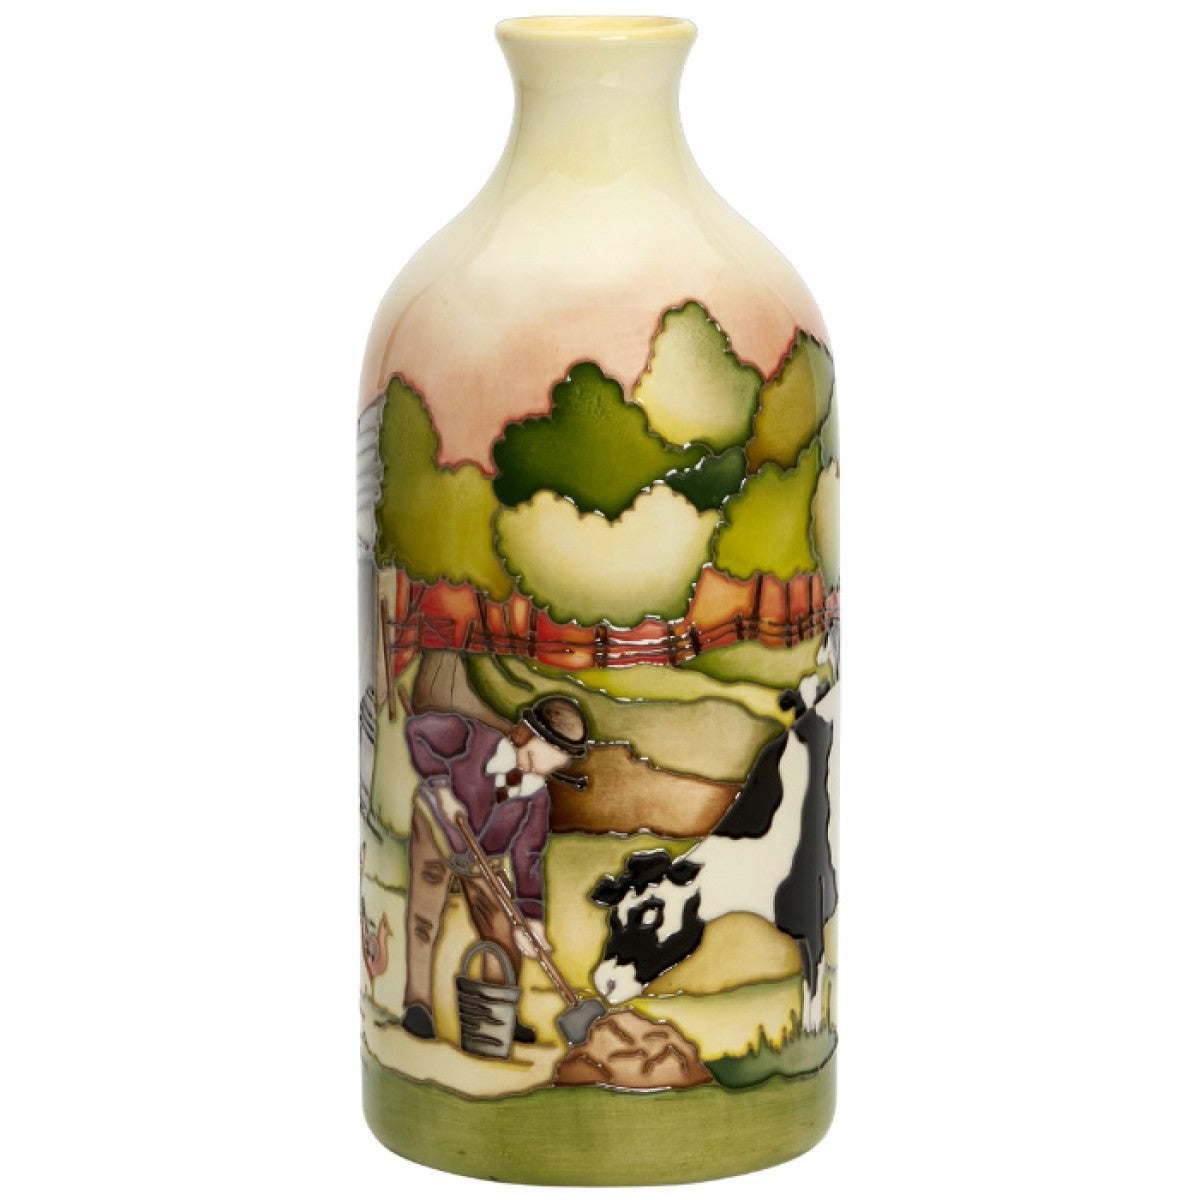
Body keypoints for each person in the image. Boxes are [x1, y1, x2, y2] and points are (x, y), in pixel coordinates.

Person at [398, 695, 589, 1043]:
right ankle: (417, 1004)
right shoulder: (470, 738)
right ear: (524, 734)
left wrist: (532, 920)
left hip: (481, 855)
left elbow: (528, 858)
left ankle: (497, 1014)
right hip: (437, 828)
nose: (540, 771)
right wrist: (442, 789)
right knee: (425, 919)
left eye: (552, 767)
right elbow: (417, 731)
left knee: (504, 931)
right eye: (539, 758)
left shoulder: (535, 797)